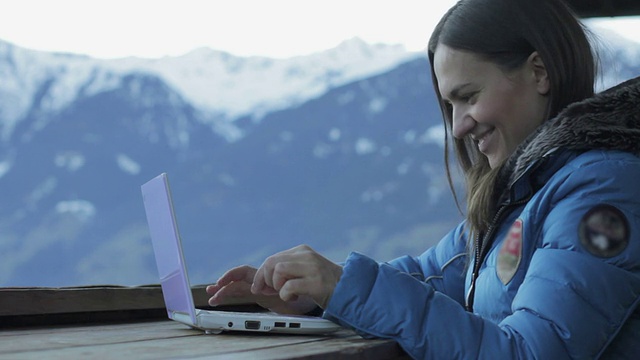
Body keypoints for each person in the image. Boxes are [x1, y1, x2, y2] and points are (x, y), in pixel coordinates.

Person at [206, 0, 640, 358]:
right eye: (449, 105)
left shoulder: (601, 191)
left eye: (468, 97)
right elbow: (432, 275)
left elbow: (530, 353)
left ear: (539, 73)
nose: (457, 128)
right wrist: (316, 293)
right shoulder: (527, 190)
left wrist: (342, 287)